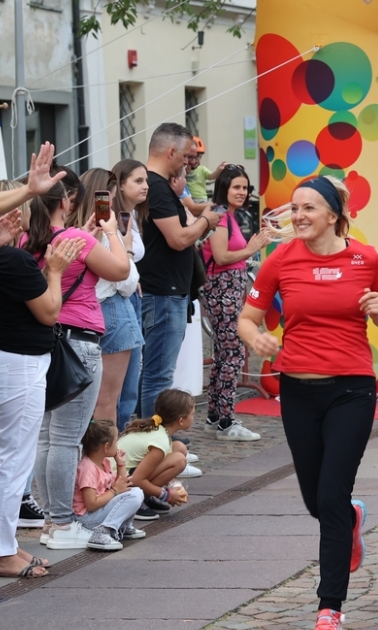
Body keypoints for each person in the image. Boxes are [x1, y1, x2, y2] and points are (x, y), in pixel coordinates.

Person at [238, 175, 378, 630]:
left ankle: (330, 610)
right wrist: (257, 338)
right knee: (317, 501)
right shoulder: (280, 259)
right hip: (298, 391)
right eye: (295, 208)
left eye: (309, 208)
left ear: (333, 214)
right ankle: (350, 518)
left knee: (330, 496)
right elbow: (248, 319)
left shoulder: (363, 257)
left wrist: (377, 309)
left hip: (352, 389)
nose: (299, 216)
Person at [25, 178, 131, 551]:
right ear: (67, 202)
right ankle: (63, 522)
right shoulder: (77, 241)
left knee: (46, 436)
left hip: (45, 342)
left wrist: (83, 235)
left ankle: (51, 521)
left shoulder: (29, 239)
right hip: (79, 343)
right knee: (67, 440)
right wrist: (113, 233)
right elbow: (120, 270)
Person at [0, 212, 82, 578]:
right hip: (17, 364)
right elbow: (49, 311)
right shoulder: (11, 258)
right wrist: (55, 271)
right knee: (11, 461)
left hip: (1, 360)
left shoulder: (0, 257)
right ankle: (0, 550)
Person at [137, 123, 220, 417]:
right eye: (186, 156)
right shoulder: (156, 187)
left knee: (159, 376)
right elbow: (178, 238)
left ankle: (160, 445)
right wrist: (205, 221)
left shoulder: (155, 185)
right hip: (162, 293)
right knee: (158, 377)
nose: (188, 163)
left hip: (167, 291)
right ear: (171, 151)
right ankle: (153, 449)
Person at [201, 165, 273, 440]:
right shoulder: (220, 217)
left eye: (245, 187)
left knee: (225, 354)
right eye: (237, 187)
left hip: (227, 289)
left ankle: (216, 416)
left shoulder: (227, 216)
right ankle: (226, 421)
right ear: (224, 188)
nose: (242, 192)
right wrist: (251, 249)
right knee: (232, 353)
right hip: (222, 289)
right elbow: (220, 257)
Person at [69, 169, 144, 424]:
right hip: (112, 307)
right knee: (109, 401)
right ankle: (104, 461)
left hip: (81, 314)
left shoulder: (74, 230)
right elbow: (126, 280)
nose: (110, 203)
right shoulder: (104, 233)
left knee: (82, 398)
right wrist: (124, 244)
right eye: (108, 197)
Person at [110, 159, 149, 430]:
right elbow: (120, 268)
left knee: (130, 382)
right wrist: (130, 275)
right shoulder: (115, 219)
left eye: (146, 180)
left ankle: (118, 447)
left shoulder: (132, 217)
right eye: (138, 181)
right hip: (119, 299)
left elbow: (128, 264)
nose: (145, 186)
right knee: (121, 389)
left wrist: (134, 276)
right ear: (120, 185)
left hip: (130, 295)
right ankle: (113, 452)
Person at [117, 388, 193, 517]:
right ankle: (134, 500)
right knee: (179, 460)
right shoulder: (160, 441)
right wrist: (166, 495)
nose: (193, 418)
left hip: (125, 474)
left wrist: (172, 484)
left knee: (179, 448)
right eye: (192, 414)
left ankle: (146, 495)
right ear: (181, 420)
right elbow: (137, 479)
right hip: (117, 483)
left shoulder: (158, 429)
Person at [73, 418, 145, 550]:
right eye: (116, 441)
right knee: (134, 496)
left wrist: (121, 463)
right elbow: (91, 504)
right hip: (87, 519)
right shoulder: (87, 468)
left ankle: (122, 526)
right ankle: (102, 532)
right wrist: (114, 491)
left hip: (98, 512)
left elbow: (122, 485)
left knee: (135, 492)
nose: (118, 445)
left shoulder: (104, 462)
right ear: (106, 446)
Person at [185, 136, 226, 202]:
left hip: (201, 198)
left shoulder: (202, 169)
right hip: (188, 198)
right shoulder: (183, 170)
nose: (193, 161)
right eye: (190, 157)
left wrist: (218, 170)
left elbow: (211, 176)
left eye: (197, 157)